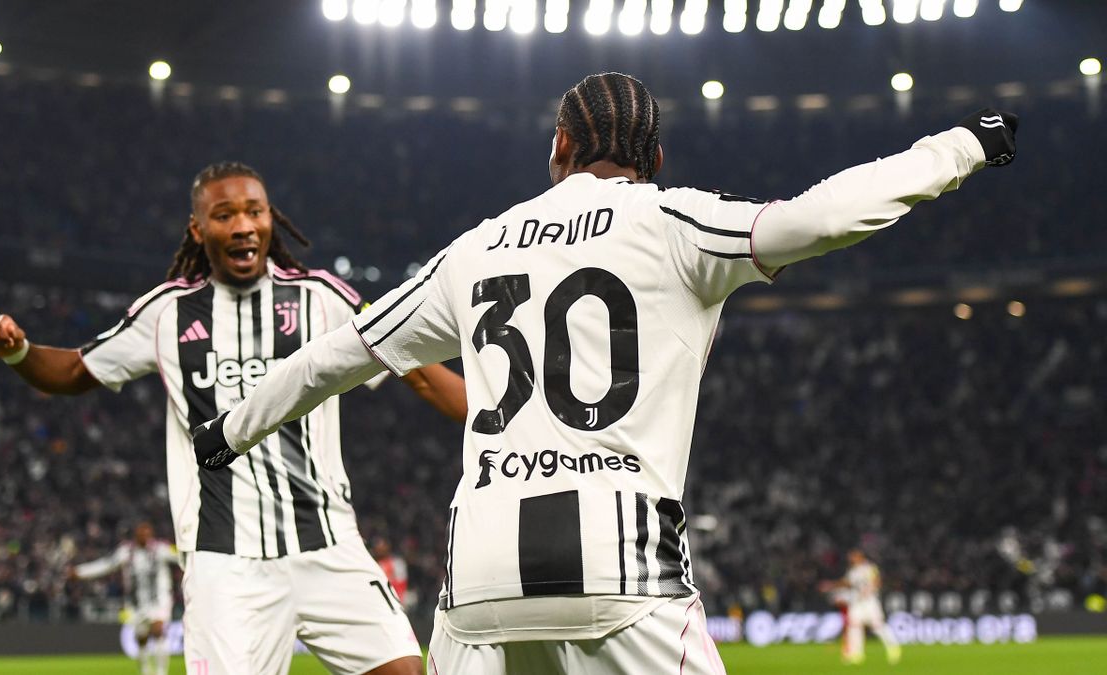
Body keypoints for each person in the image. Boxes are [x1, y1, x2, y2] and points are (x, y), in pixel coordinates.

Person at [191, 73, 1018, 674]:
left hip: (480, 568)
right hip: (619, 563)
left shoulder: (475, 248)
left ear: (559, 147)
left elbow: (339, 354)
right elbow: (823, 217)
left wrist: (228, 428)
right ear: (654, 155)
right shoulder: (676, 220)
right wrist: (966, 146)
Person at [0, 162, 468, 675]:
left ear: (270, 219)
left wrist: (506, 415)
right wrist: (19, 352)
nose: (242, 226)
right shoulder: (167, 312)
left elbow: (423, 375)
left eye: (254, 211)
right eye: (224, 215)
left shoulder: (323, 299)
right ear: (198, 229)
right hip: (225, 564)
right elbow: (77, 370)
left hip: (329, 544)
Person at [70, 522, 179, 675]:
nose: (145, 537)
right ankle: (145, 670)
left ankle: (161, 672)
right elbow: (106, 565)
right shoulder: (126, 552)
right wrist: (80, 572)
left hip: (160, 601)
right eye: (142, 534)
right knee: (141, 638)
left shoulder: (161, 549)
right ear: (136, 535)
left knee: (158, 630)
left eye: (147, 534)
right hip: (136, 603)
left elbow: (181, 557)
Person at [826, 549, 902, 665]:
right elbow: (848, 583)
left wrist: (870, 590)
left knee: (877, 626)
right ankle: (856, 654)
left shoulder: (869, 568)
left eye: (854, 557)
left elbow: (877, 581)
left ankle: (893, 648)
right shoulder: (852, 571)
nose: (851, 559)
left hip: (869, 601)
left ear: (860, 557)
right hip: (856, 602)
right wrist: (832, 585)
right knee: (854, 626)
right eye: (851, 558)